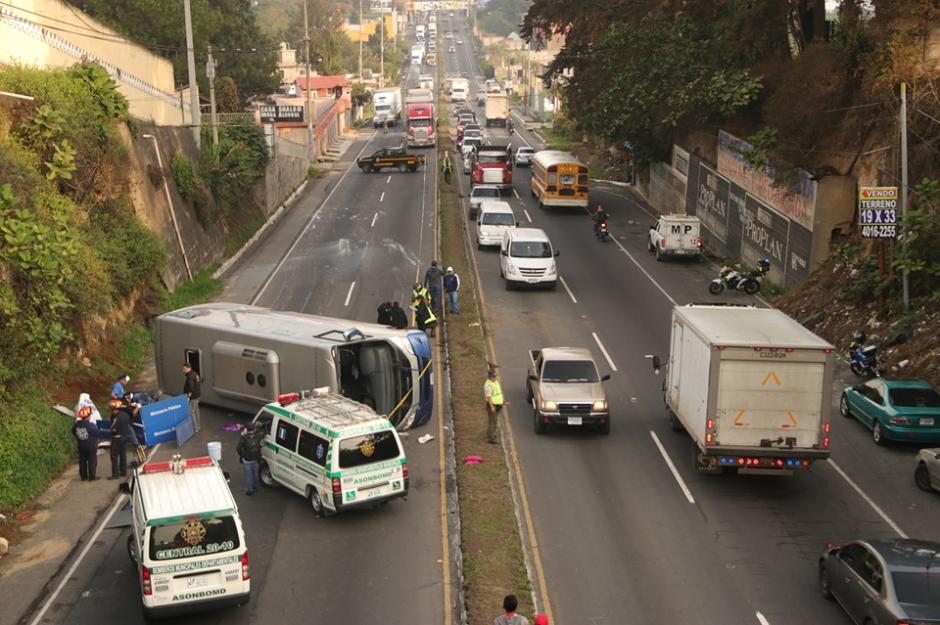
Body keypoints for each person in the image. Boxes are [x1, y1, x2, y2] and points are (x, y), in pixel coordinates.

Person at [72, 406, 100, 481]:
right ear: (88, 416)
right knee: (92, 461)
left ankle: (83, 476)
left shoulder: (76, 425)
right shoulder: (91, 425)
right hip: (91, 446)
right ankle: (92, 476)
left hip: (81, 445)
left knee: (82, 461)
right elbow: (97, 433)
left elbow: (73, 432)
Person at [109, 403, 134, 479]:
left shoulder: (117, 418)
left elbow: (112, 428)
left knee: (114, 456)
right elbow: (129, 425)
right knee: (123, 455)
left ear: (116, 409)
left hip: (117, 438)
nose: (112, 411)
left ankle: (115, 474)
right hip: (124, 437)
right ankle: (123, 472)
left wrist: (112, 429)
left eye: (113, 409)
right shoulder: (126, 415)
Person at [236, 423, 262, 496]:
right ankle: (255, 486)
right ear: (254, 429)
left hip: (247, 459)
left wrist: (242, 455)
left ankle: (250, 490)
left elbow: (238, 448)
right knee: (255, 473)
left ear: (246, 429)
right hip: (256, 458)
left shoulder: (244, 438)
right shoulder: (257, 436)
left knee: (248, 475)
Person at [484, 369, 504, 444]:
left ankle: (490, 435)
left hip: (498, 405)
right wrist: (492, 406)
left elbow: (498, 393)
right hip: (493, 406)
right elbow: (488, 397)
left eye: (495, 376)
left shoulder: (495, 382)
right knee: (493, 422)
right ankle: (491, 438)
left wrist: (502, 401)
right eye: (493, 376)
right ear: (490, 377)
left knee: (493, 421)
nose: (495, 378)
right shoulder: (488, 385)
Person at [182, 362, 202, 433]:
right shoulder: (195, 374)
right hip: (198, 395)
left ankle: (195, 427)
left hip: (193, 397)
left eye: (184, 368)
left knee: (191, 411)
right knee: (196, 410)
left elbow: (191, 389)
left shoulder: (190, 377)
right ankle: (198, 425)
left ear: (188, 368)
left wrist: (187, 397)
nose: (182, 370)